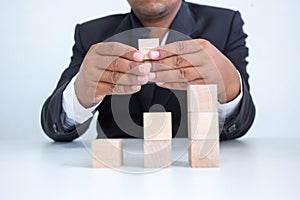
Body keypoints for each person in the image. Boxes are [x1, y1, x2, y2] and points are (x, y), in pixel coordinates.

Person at [41, 0, 255, 141]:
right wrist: (81, 94)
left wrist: (228, 89)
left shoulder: (225, 24)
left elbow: (239, 124)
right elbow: (55, 125)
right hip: (118, 178)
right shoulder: (91, 34)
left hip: (200, 177)